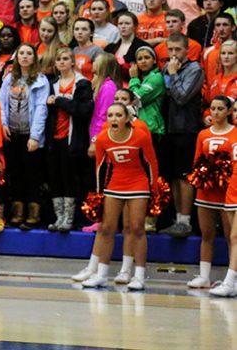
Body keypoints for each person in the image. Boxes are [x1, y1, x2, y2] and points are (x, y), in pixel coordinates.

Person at [80, 103, 157, 290]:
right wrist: (99, 194)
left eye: (118, 115)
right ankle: (101, 274)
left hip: (138, 184)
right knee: (106, 228)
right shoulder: (103, 139)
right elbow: (99, 167)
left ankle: (139, 276)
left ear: (127, 118)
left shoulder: (140, 136)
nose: (114, 119)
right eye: (110, 115)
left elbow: (151, 162)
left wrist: (153, 189)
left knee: (137, 228)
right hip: (115, 185)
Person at [157, 33, 205, 239]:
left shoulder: (195, 69)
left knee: (185, 177)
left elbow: (182, 96)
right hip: (169, 128)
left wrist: (174, 74)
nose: (174, 54)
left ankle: (186, 221)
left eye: (178, 50)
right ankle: (178, 219)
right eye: (171, 50)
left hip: (187, 129)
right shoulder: (165, 68)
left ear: (186, 50)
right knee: (174, 177)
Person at [0, 44, 50, 229]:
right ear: (17, 57)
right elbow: (1, 103)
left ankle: (33, 213)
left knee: (32, 174)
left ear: (34, 58)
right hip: (12, 133)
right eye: (22, 53)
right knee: (15, 173)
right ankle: (17, 212)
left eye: (29, 53)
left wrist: (35, 136)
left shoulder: (41, 81)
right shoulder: (9, 79)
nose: (25, 57)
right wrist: (3, 123)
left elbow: (41, 110)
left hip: (30, 134)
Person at [187, 96, 236, 289]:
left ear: (229, 111)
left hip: (227, 193)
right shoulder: (203, 135)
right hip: (206, 192)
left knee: (230, 235)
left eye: (220, 109)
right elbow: (197, 161)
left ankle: (230, 279)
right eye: (212, 109)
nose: (215, 113)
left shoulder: (235, 133)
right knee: (207, 234)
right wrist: (202, 177)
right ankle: (205, 276)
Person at [45, 48, 94, 232]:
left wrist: (59, 101)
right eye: (59, 59)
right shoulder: (53, 83)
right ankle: (59, 217)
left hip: (73, 139)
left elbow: (83, 111)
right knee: (55, 178)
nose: (62, 62)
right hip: (54, 138)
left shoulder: (82, 84)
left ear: (73, 62)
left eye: (66, 59)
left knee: (70, 179)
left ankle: (69, 218)